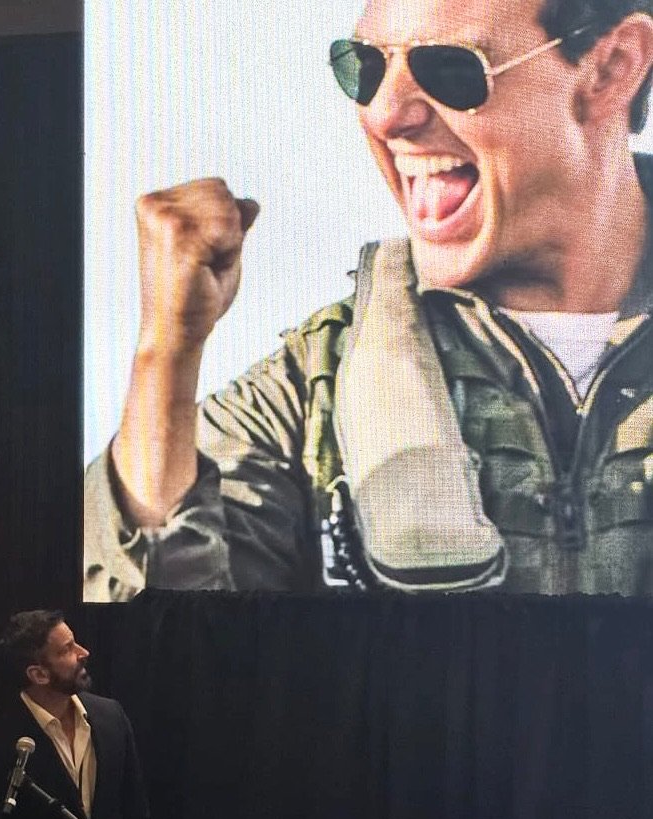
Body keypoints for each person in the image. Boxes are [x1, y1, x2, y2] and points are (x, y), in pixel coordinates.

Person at [84, 0, 653, 599]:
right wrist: (166, 353)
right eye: (365, 67)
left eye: (451, 68)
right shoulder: (316, 385)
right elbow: (161, 634)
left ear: (612, 68)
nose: (385, 115)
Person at [0, 610, 148, 819]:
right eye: (68, 649)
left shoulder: (111, 717)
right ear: (39, 675)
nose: (83, 652)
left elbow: (135, 813)